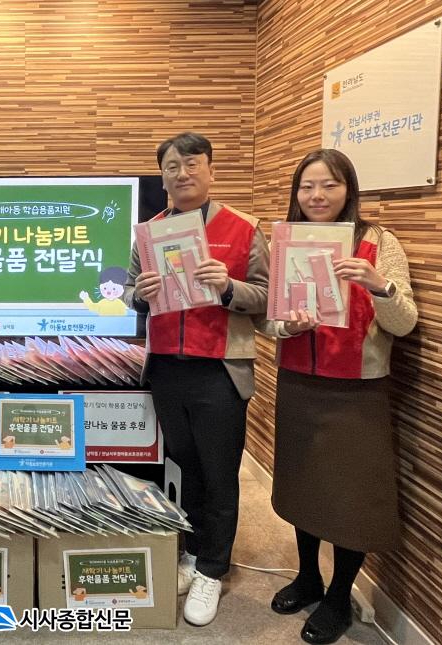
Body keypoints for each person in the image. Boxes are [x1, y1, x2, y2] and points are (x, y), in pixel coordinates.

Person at [264, 149, 417, 644]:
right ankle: (308, 577)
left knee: (352, 498)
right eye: (307, 186)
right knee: (303, 485)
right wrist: (288, 326)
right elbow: (269, 321)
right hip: (299, 384)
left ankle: (338, 595)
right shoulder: (285, 241)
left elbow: (404, 323)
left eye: (329, 184)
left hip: (357, 389)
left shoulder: (378, 242)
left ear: (348, 189)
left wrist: (380, 286)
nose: (317, 195)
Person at [123, 131, 269, 626]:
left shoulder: (243, 228)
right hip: (166, 368)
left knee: (219, 472)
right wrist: (139, 295)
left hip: (219, 370)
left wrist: (228, 288)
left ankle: (212, 568)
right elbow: (129, 291)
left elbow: (268, 297)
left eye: (192, 164)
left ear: (210, 170)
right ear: (162, 176)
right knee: (183, 468)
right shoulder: (149, 232)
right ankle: (191, 552)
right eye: (172, 166)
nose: (182, 173)